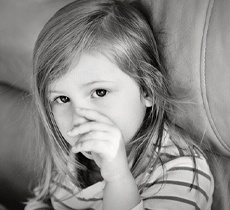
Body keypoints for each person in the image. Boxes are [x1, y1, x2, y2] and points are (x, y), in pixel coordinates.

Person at [25, 0, 214, 209]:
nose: (79, 118)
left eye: (100, 92)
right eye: (62, 99)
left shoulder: (181, 171)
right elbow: (44, 201)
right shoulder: (70, 158)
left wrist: (117, 177)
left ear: (147, 90)